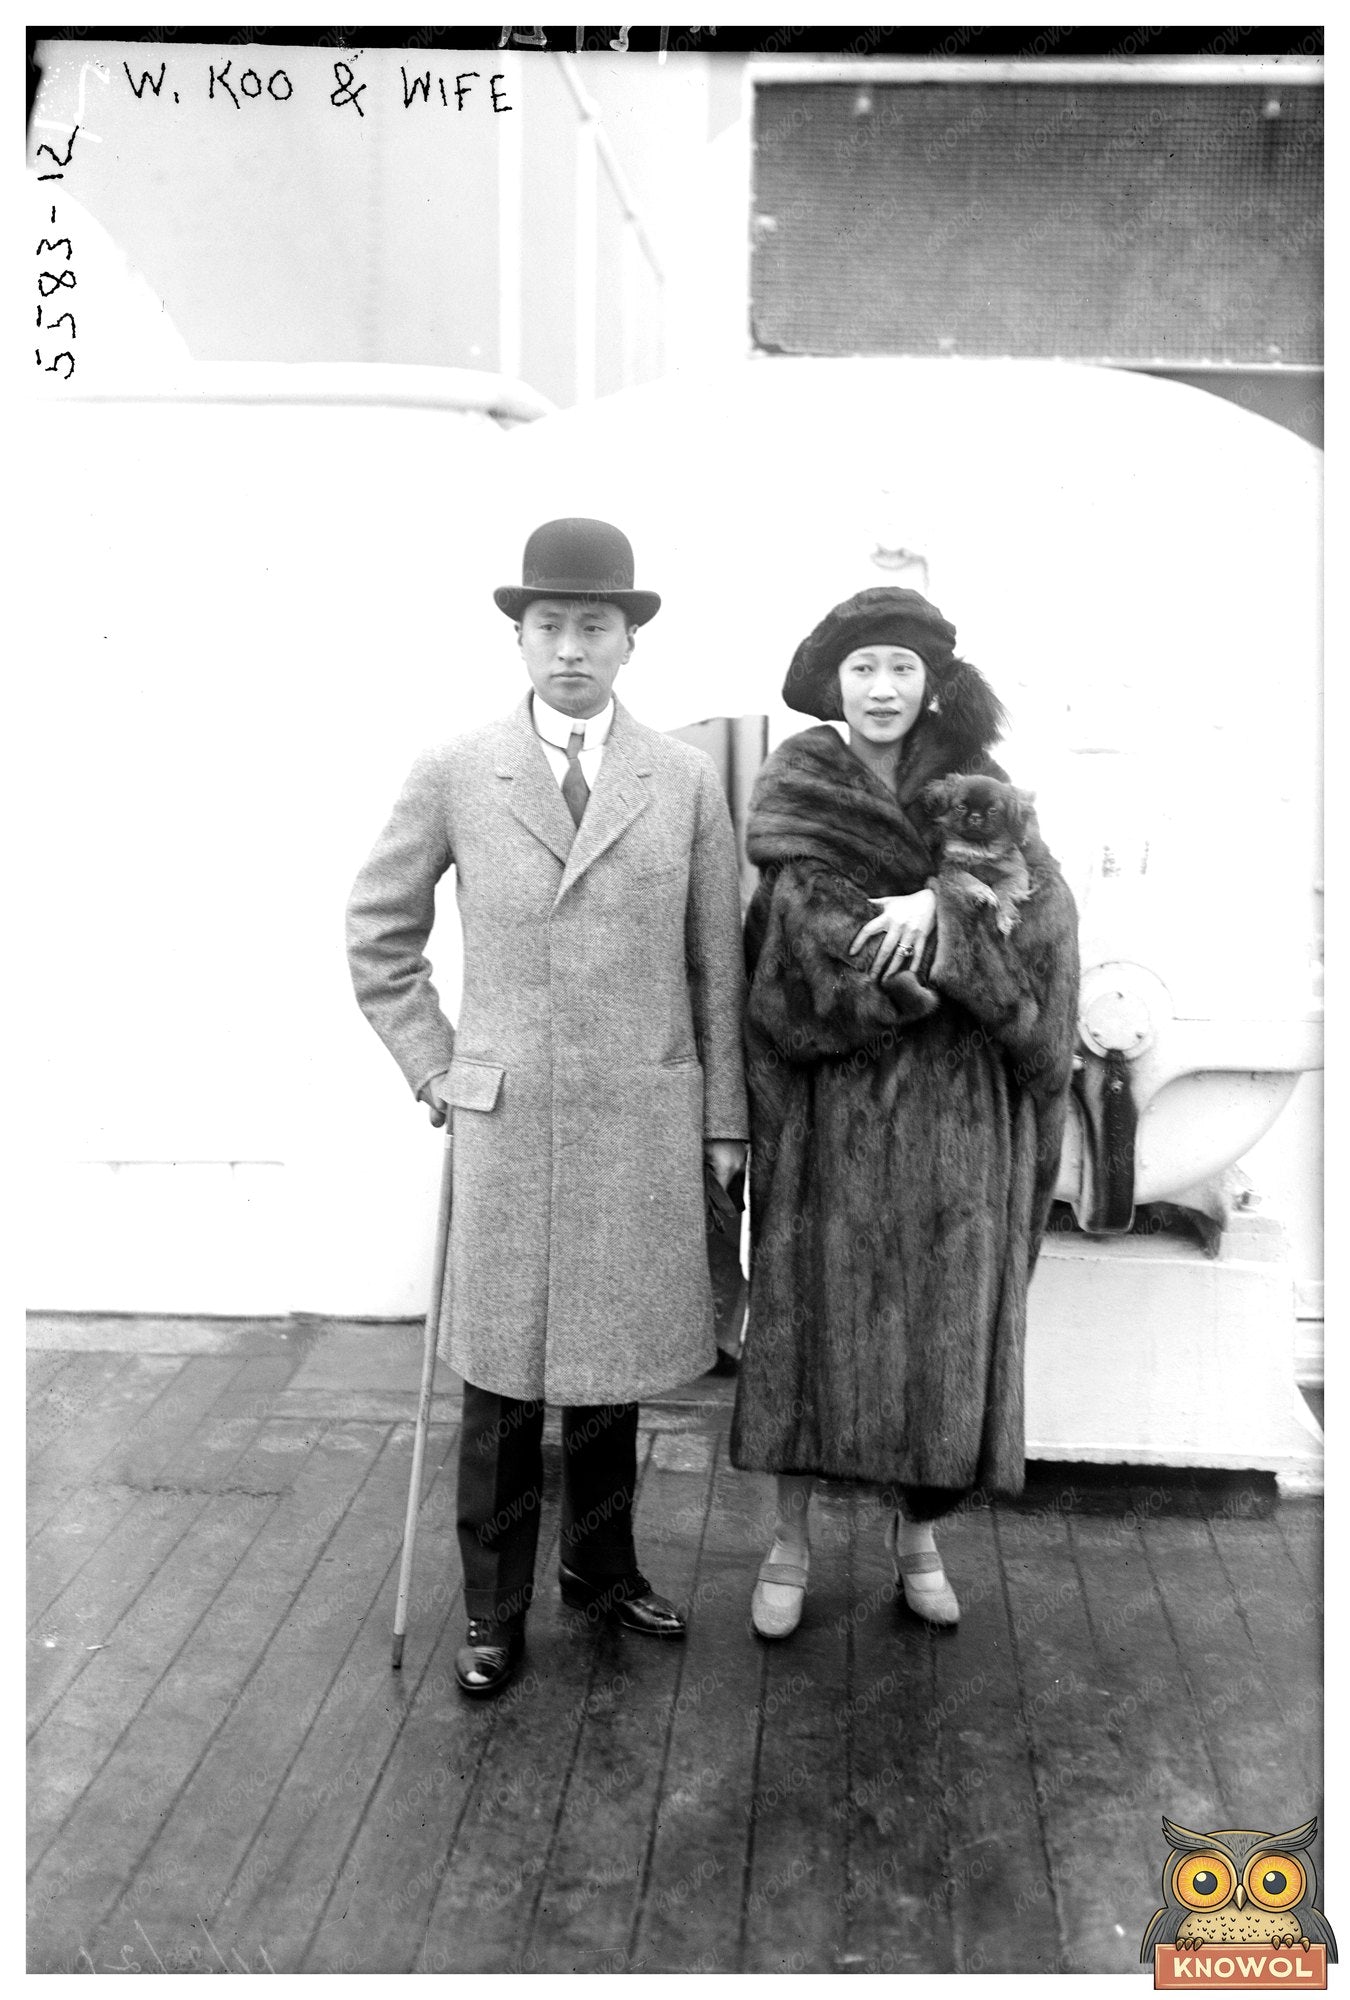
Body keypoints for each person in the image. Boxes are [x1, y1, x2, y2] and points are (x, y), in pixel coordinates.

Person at [347, 518, 748, 1698]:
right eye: (550, 626)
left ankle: (602, 1567)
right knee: (504, 1381)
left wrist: (725, 1118)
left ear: (630, 641)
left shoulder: (679, 779)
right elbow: (379, 933)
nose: (572, 647)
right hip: (511, 1121)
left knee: (616, 1372)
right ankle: (492, 1604)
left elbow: (715, 965)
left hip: (642, 1115)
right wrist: (435, 1067)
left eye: (595, 626)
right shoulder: (458, 767)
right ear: (520, 637)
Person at [729, 586, 1078, 1638]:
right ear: (833, 686)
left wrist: (948, 902)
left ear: (932, 684)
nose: (883, 688)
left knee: (940, 1332)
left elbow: (1048, 926)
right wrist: (962, 939)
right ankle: (788, 1540)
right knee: (805, 1329)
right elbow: (808, 950)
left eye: (902, 668)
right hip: (834, 1117)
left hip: (962, 1123)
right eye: (864, 668)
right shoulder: (801, 800)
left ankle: (917, 1537)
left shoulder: (985, 795)